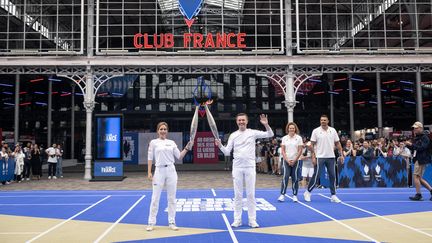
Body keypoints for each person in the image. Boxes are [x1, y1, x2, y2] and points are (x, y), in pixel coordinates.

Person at [216, 113, 274, 228]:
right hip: (237, 167)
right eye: (239, 120)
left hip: (250, 167)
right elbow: (227, 152)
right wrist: (220, 146)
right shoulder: (233, 135)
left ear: (247, 122)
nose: (241, 122)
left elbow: (270, 134)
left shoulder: (252, 133)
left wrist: (266, 125)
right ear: (237, 122)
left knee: (250, 194)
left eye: (243, 120)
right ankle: (237, 219)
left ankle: (252, 220)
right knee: (238, 195)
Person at [146, 122, 192, 231]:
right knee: (155, 198)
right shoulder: (153, 143)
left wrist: (187, 147)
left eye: (165, 129)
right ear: (158, 131)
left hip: (171, 171)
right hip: (159, 171)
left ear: (167, 131)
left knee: (171, 198)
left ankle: (172, 222)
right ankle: (151, 222)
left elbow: (179, 156)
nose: (163, 131)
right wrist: (149, 172)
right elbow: (150, 158)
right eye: (161, 129)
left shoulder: (171, 143)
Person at [304, 115, 344, 203]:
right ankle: (308, 192)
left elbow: (337, 143)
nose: (323, 121)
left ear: (328, 121)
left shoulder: (332, 130)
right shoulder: (316, 131)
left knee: (333, 176)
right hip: (319, 157)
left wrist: (341, 155)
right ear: (320, 121)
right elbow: (312, 145)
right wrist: (313, 157)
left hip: (331, 157)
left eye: (325, 120)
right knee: (316, 175)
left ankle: (333, 195)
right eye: (321, 120)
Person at [405, 121, 432, 201]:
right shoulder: (417, 137)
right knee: (419, 178)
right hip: (418, 159)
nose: (414, 130)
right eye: (414, 128)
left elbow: (422, 148)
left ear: (420, 128)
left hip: (422, 159)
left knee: (416, 176)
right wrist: (408, 145)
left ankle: (418, 195)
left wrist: (411, 145)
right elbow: (415, 148)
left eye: (416, 128)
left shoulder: (425, 137)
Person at [277, 122, 303, 202]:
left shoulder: (299, 138)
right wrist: (287, 160)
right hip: (286, 160)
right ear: (288, 129)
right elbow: (283, 150)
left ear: (295, 129)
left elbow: (300, 150)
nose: (291, 129)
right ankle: (282, 194)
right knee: (285, 177)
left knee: (295, 178)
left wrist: (295, 160)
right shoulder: (284, 138)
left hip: (296, 160)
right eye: (290, 128)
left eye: (293, 128)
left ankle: (295, 195)